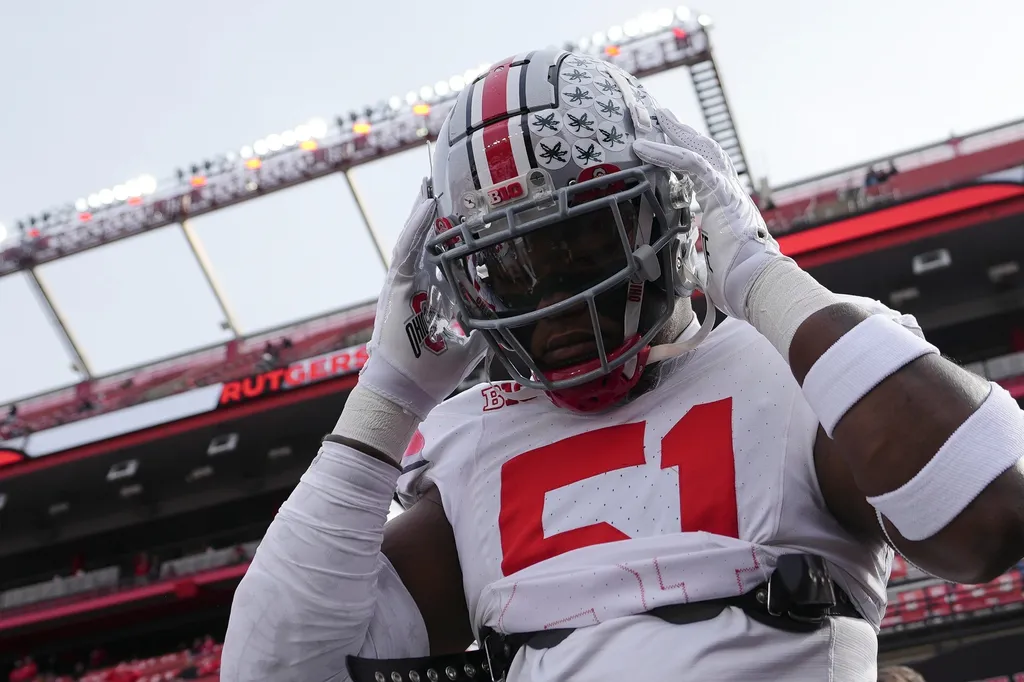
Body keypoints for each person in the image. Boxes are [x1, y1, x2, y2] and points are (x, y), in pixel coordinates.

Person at [221, 49, 1024, 681]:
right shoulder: (472, 442)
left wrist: (763, 280)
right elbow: (280, 669)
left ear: (666, 220)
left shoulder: (795, 364)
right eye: (509, 268)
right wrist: (384, 400)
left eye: (583, 245)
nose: (551, 300)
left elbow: (989, 517)